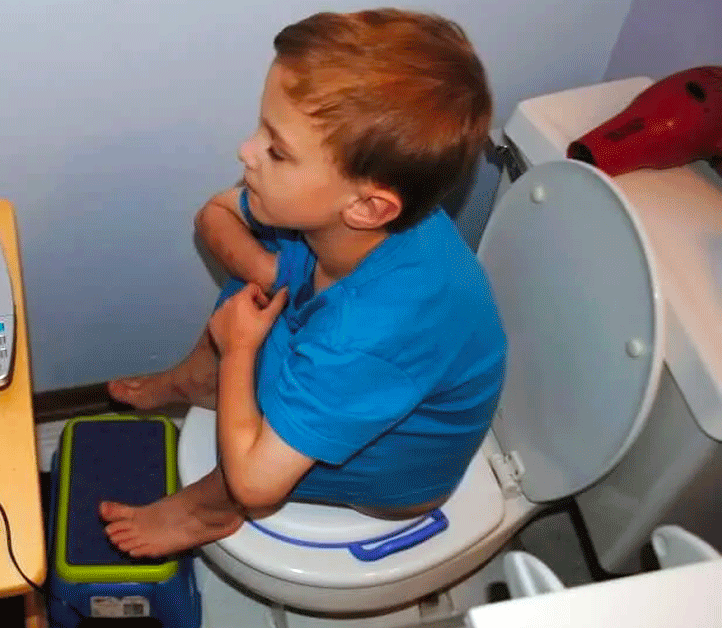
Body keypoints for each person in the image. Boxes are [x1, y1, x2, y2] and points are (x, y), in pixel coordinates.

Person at [100, 8, 507, 559]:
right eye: (261, 130)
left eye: (277, 149)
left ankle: (206, 510)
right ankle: (199, 379)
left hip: (393, 467)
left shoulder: (370, 332)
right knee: (260, 281)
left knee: (251, 328)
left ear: (366, 206)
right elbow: (213, 216)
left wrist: (240, 348)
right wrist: (273, 274)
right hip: (355, 354)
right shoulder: (347, 218)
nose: (246, 152)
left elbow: (257, 484)